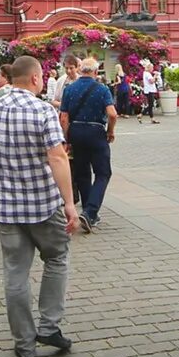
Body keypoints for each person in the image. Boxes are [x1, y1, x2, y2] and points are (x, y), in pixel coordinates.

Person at [0, 55, 80, 357]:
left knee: (15, 274)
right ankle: (49, 327)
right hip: (43, 205)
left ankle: (24, 344)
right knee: (57, 258)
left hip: (7, 207)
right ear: (36, 79)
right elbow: (58, 157)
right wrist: (69, 203)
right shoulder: (42, 110)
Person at [58, 56, 117, 231]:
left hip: (76, 132)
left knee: (83, 173)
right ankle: (90, 212)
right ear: (95, 71)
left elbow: (64, 117)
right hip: (96, 132)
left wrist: (67, 139)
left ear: (80, 69)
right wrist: (110, 131)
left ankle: (88, 213)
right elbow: (112, 114)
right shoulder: (102, 89)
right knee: (103, 172)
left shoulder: (70, 88)